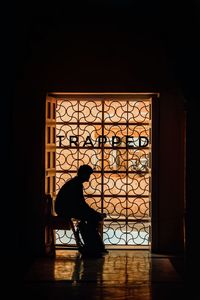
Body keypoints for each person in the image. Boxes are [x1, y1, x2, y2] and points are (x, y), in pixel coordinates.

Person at [55, 164, 108, 257]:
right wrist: (95, 213)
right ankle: (93, 247)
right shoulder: (76, 185)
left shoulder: (76, 183)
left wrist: (94, 213)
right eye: (88, 174)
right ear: (83, 174)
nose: (89, 177)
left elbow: (80, 205)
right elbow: (81, 204)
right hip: (65, 210)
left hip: (65, 209)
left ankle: (93, 246)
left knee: (92, 217)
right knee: (93, 218)